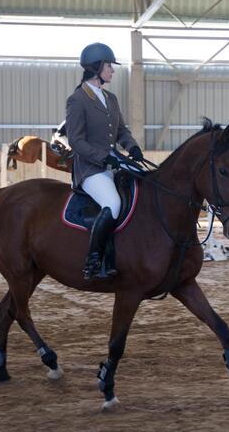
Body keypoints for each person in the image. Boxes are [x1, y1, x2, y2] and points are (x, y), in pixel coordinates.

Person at [65, 42, 143, 280]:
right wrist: (104, 156)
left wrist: (133, 147)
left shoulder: (111, 98)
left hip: (112, 164)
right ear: (96, 67)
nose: (113, 70)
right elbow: (76, 141)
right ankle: (94, 260)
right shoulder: (78, 99)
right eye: (109, 66)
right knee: (113, 203)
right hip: (90, 169)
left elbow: (121, 131)